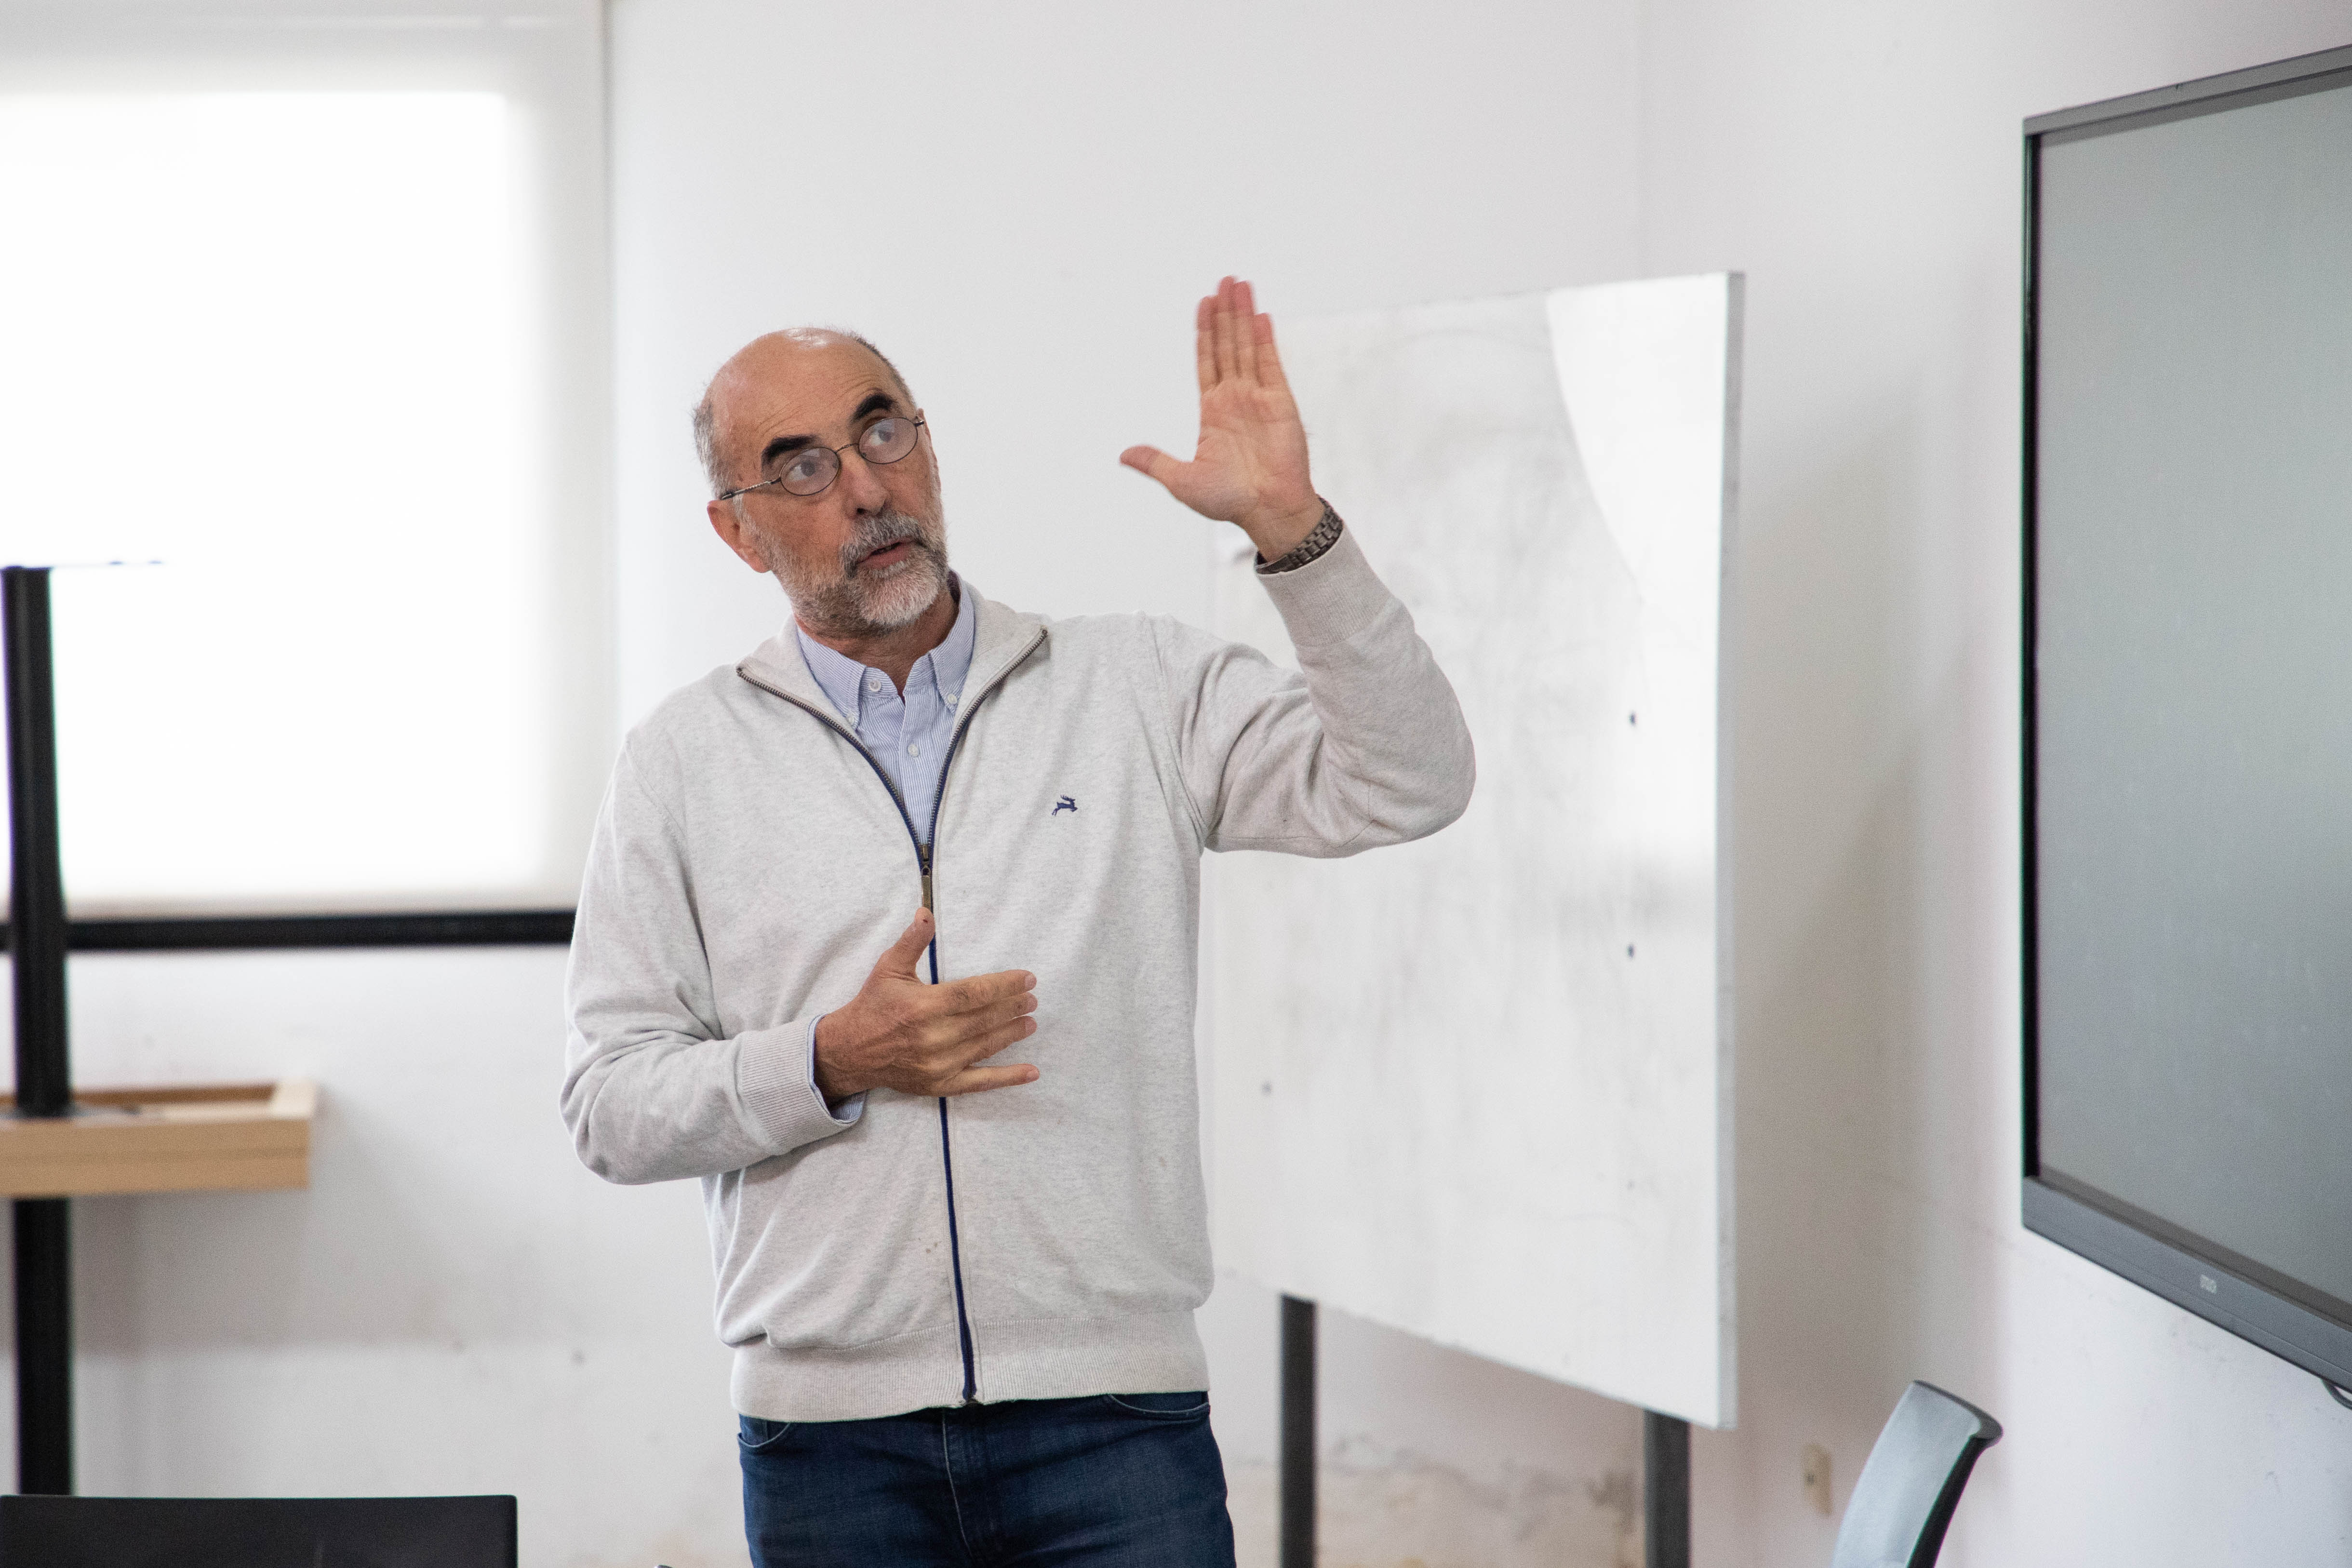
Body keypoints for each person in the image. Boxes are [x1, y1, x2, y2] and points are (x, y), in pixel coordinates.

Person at [562, 277, 1474, 1567]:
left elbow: (1413, 779)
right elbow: (608, 1105)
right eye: (802, 467)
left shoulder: (1138, 687)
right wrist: (828, 1061)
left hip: (1116, 1426)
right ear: (738, 531)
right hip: (831, 1449)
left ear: (928, 445)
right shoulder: (681, 762)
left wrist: (1293, 533)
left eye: (882, 432)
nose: (866, 489)